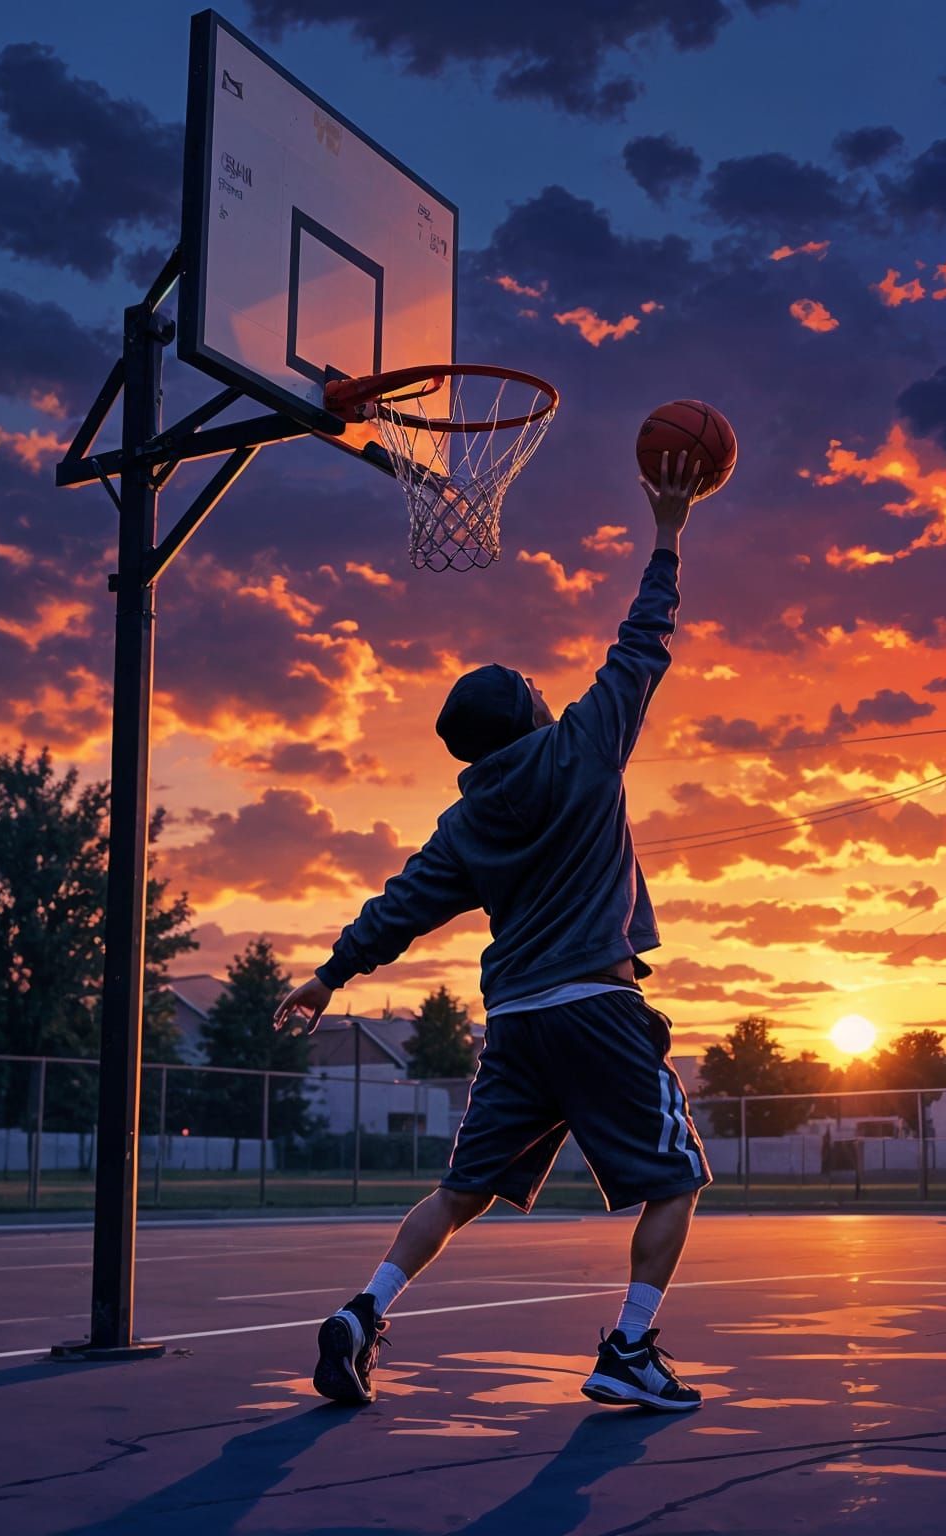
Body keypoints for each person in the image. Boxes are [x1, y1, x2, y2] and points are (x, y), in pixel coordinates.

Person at [273, 450, 713, 1412]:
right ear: (531, 712)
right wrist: (668, 533)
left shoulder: (465, 823)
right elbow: (642, 644)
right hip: (597, 1007)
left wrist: (330, 974)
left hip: (516, 1022)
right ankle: (631, 1349)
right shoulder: (583, 747)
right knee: (676, 1176)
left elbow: (399, 905)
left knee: (461, 1189)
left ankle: (362, 1310)